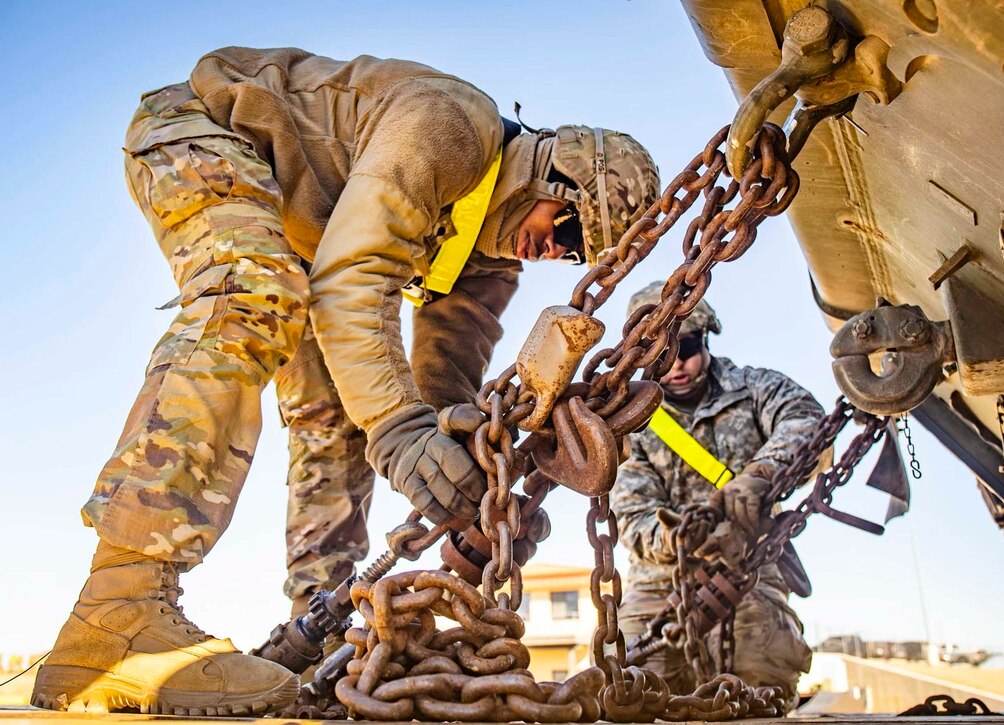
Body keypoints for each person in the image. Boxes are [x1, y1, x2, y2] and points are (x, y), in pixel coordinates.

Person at [32, 47, 659, 714]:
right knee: (252, 294)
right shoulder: (453, 127)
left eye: (575, 254)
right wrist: (399, 430)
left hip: (310, 239)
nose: (555, 251)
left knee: (336, 412)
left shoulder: (488, 261)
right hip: (206, 133)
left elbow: (441, 388)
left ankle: (323, 632)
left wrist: (472, 479)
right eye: (566, 229)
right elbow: (353, 280)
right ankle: (120, 605)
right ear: (554, 175)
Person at [613, 281, 821, 706]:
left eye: (685, 348)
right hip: (658, 587)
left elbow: (805, 419)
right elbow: (632, 516)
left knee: (761, 676)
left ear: (705, 337)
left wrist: (762, 474)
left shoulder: (756, 388)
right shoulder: (632, 427)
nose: (675, 366)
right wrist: (681, 539)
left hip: (750, 575)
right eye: (660, 357)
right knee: (628, 691)